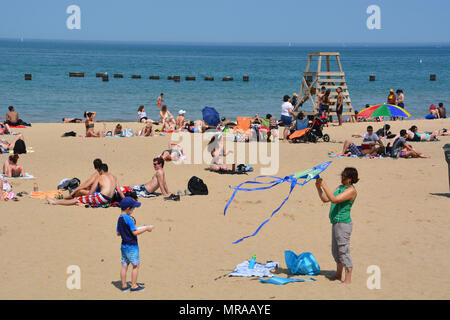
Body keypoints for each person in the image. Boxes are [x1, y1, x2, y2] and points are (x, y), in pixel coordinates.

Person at [315, 167, 359, 284]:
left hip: (343, 224)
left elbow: (334, 200)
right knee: (336, 251)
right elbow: (326, 199)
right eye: (341, 175)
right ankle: (338, 274)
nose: (341, 177)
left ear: (350, 179)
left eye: (344, 176)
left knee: (343, 250)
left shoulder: (351, 191)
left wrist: (324, 185)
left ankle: (348, 279)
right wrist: (319, 188)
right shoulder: (340, 188)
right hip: (335, 223)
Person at [46, 163, 125, 206]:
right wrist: (126, 201)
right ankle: (62, 199)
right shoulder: (114, 177)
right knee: (82, 199)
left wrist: (84, 198)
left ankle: (55, 202)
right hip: (109, 200)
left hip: (101, 198)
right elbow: (119, 192)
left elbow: (91, 193)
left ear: (101, 171)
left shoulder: (100, 177)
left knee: (76, 200)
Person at [116, 196, 152, 292]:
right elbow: (135, 233)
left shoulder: (120, 219)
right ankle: (134, 285)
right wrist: (146, 228)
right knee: (135, 266)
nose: (134, 209)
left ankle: (123, 285)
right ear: (128, 208)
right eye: (133, 208)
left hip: (124, 245)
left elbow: (118, 233)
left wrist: (127, 230)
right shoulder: (129, 219)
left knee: (124, 265)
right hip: (132, 246)